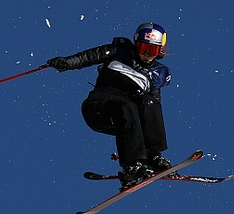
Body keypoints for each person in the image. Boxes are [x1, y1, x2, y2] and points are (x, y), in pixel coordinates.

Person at [48, 22, 172, 189]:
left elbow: (153, 110)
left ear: (161, 51)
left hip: (126, 114)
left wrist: (150, 145)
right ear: (135, 43)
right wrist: (66, 63)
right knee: (126, 107)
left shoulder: (158, 74)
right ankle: (132, 164)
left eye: (153, 50)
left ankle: (153, 157)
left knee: (147, 103)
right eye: (143, 48)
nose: (147, 54)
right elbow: (88, 57)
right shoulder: (119, 51)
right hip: (99, 107)